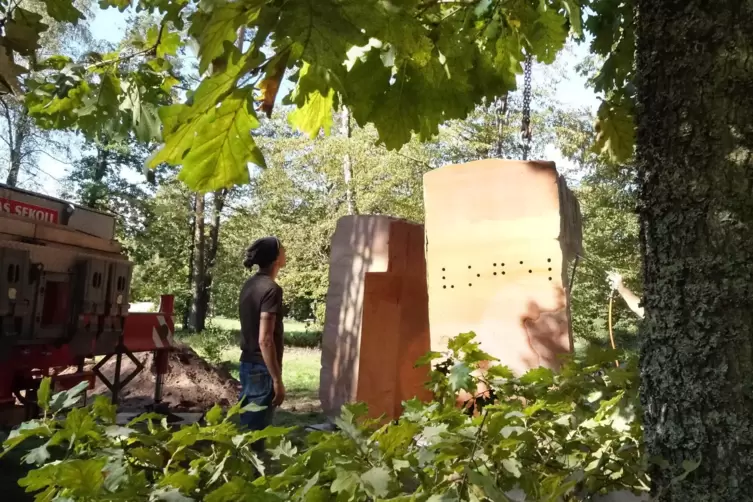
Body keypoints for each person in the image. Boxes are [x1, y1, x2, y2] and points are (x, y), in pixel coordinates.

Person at [237, 236, 287, 442]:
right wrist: (277, 379)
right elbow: (265, 339)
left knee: (248, 428)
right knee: (255, 436)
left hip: (247, 365)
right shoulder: (271, 289)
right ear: (276, 258)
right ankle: (250, 473)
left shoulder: (250, 285)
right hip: (261, 369)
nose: (286, 251)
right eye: (282, 248)